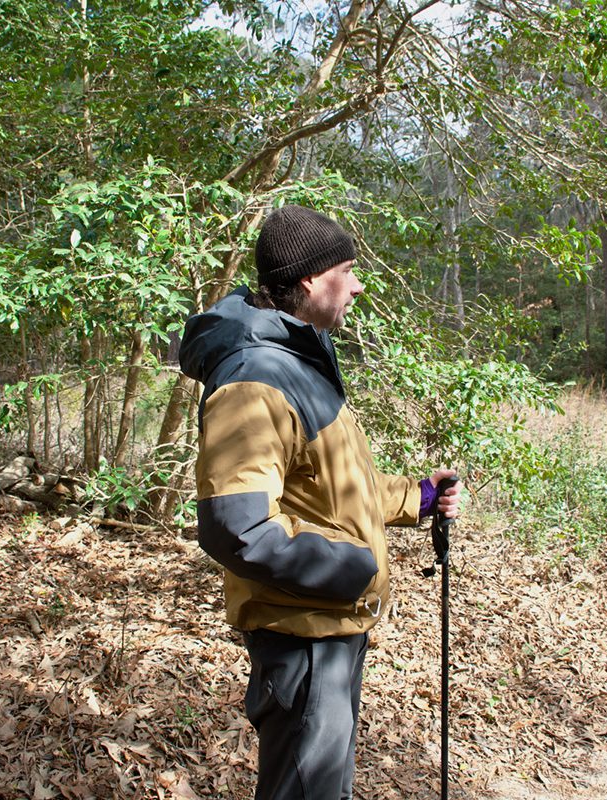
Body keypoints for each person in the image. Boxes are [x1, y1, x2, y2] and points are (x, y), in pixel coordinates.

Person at [178, 204, 461, 800]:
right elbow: (237, 526)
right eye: (348, 270)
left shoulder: (298, 363)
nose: (357, 285)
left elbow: (337, 488)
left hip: (328, 630)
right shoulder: (255, 377)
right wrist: (354, 567)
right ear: (310, 280)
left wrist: (422, 497)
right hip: (303, 640)